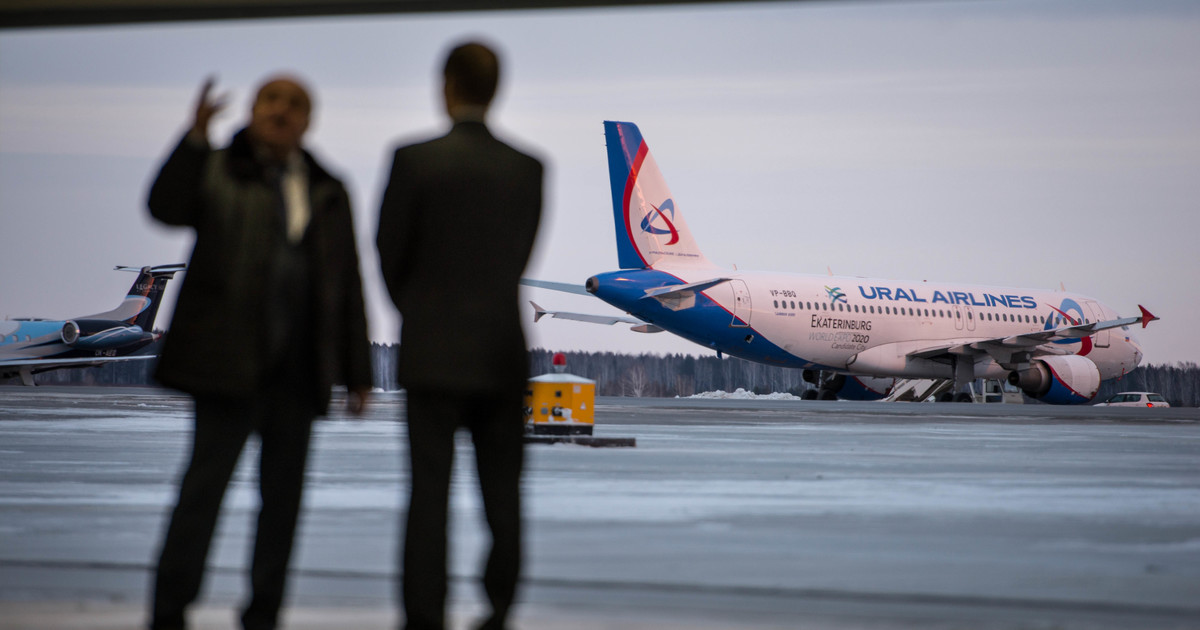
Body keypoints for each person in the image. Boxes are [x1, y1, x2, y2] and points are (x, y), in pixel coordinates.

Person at [146, 74, 372, 630]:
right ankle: (169, 612)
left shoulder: (327, 187)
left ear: (308, 121)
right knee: (201, 497)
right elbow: (165, 206)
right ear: (251, 110)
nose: (282, 112)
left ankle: (263, 615)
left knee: (282, 509)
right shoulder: (219, 169)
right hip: (225, 365)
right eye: (272, 101)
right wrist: (194, 140)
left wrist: (357, 371)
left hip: (295, 374)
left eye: (295, 105)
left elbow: (346, 282)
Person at [376, 41, 543, 630]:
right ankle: (499, 609)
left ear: (445, 85)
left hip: (433, 352)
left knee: (428, 496)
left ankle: (424, 613)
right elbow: (519, 256)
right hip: (500, 350)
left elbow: (389, 255)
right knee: (503, 496)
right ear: (496, 89)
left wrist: (420, 313)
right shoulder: (528, 168)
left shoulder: (412, 160)